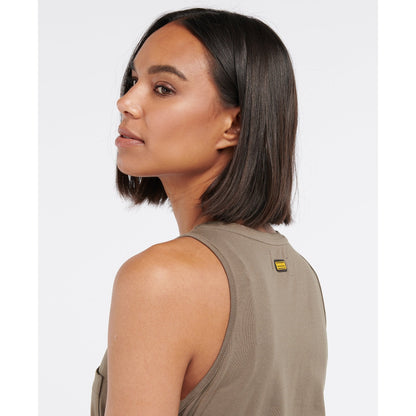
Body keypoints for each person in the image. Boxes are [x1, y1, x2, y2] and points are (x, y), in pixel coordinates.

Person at [91, 7, 327, 416]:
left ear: (233, 126)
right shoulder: (301, 276)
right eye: (133, 80)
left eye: (163, 88)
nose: (126, 101)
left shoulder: (159, 279)